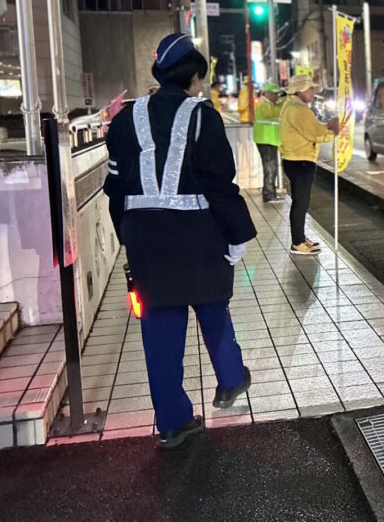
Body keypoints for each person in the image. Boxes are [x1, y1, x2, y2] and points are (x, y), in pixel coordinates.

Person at [104, 33, 256, 450]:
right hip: (199, 235)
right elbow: (219, 183)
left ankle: (173, 422)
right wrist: (238, 235)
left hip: (147, 242)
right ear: (193, 76)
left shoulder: (123, 120)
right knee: (213, 308)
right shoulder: (203, 117)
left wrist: (128, 235)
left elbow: (114, 188)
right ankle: (229, 379)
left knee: (160, 331)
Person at [279, 73, 338, 255]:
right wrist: (333, 130)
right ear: (300, 90)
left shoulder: (291, 106)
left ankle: (301, 237)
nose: (313, 92)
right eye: (310, 88)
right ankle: (297, 242)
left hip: (294, 159)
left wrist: (326, 127)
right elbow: (314, 133)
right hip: (300, 161)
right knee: (301, 203)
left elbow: (312, 128)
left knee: (300, 202)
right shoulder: (299, 109)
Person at [254, 80, 285, 203]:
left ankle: (270, 192)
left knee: (271, 167)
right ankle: (269, 194)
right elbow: (273, 112)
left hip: (269, 139)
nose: (276, 96)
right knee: (270, 167)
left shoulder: (270, 104)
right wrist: (286, 102)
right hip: (265, 140)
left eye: (277, 94)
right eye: (274, 93)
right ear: (266, 93)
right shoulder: (263, 104)